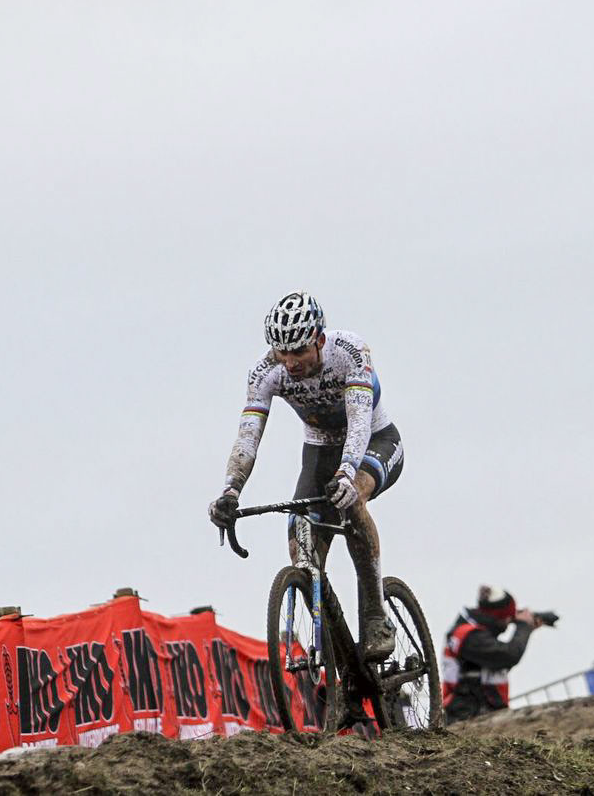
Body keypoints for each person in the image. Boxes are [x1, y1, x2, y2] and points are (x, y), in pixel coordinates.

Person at [208, 291, 403, 661]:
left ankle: (376, 614)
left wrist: (347, 474)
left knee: (353, 498)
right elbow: (248, 437)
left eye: (298, 352)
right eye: (282, 352)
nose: (290, 362)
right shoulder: (266, 373)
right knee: (302, 546)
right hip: (320, 451)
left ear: (318, 339)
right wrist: (230, 491)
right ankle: (335, 650)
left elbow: (359, 422)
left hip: (375, 441)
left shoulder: (350, 352)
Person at [441, 586, 547, 724]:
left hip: (477, 710)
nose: (509, 623)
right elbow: (508, 656)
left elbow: (494, 667)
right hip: (468, 714)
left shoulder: (470, 630)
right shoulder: (469, 636)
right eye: (508, 618)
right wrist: (523, 626)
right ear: (498, 617)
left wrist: (527, 627)